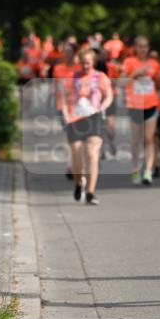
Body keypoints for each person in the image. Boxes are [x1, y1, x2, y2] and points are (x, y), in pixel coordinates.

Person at [61, 48, 113, 204]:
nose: (85, 66)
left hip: (94, 118)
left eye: (88, 63)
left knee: (92, 154)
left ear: (93, 62)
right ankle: (79, 183)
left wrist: (102, 107)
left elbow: (109, 95)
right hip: (75, 119)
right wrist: (65, 113)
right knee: (77, 159)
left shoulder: (100, 77)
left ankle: (90, 192)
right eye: (83, 63)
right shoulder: (72, 78)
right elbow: (63, 98)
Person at [120, 35, 160, 184]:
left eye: (145, 46)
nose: (143, 49)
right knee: (135, 140)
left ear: (148, 48)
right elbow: (121, 83)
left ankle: (148, 171)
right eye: (140, 46)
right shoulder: (129, 62)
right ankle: (135, 169)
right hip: (135, 106)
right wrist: (136, 73)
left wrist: (159, 79)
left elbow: (158, 84)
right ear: (135, 48)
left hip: (151, 104)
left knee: (149, 138)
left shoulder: (154, 64)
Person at [52, 41, 81, 180]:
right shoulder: (58, 68)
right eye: (65, 51)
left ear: (75, 53)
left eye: (70, 51)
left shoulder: (80, 68)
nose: (67, 54)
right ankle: (70, 164)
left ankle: (75, 162)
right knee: (67, 134)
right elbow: (55, 86)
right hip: (62, 106)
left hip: (78, 106)